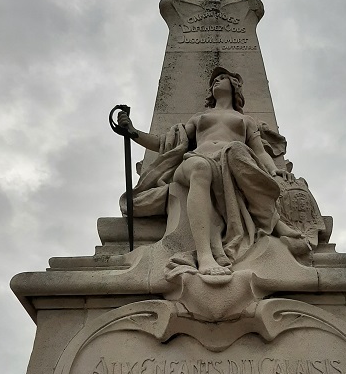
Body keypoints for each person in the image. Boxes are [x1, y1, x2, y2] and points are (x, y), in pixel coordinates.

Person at [118, 67, 300, 275]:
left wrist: (274, 170)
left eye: (222, 78)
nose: (217, 81)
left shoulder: (246, 121)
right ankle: (205, 256)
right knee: (201, 167)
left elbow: (259, 152)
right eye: (214, 80)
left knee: (236, 150)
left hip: (228, 164)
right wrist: (132, 132)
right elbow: (165, 143)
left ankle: (273, 222)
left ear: (235, 87)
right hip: (193, 162)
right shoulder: (199, 118)